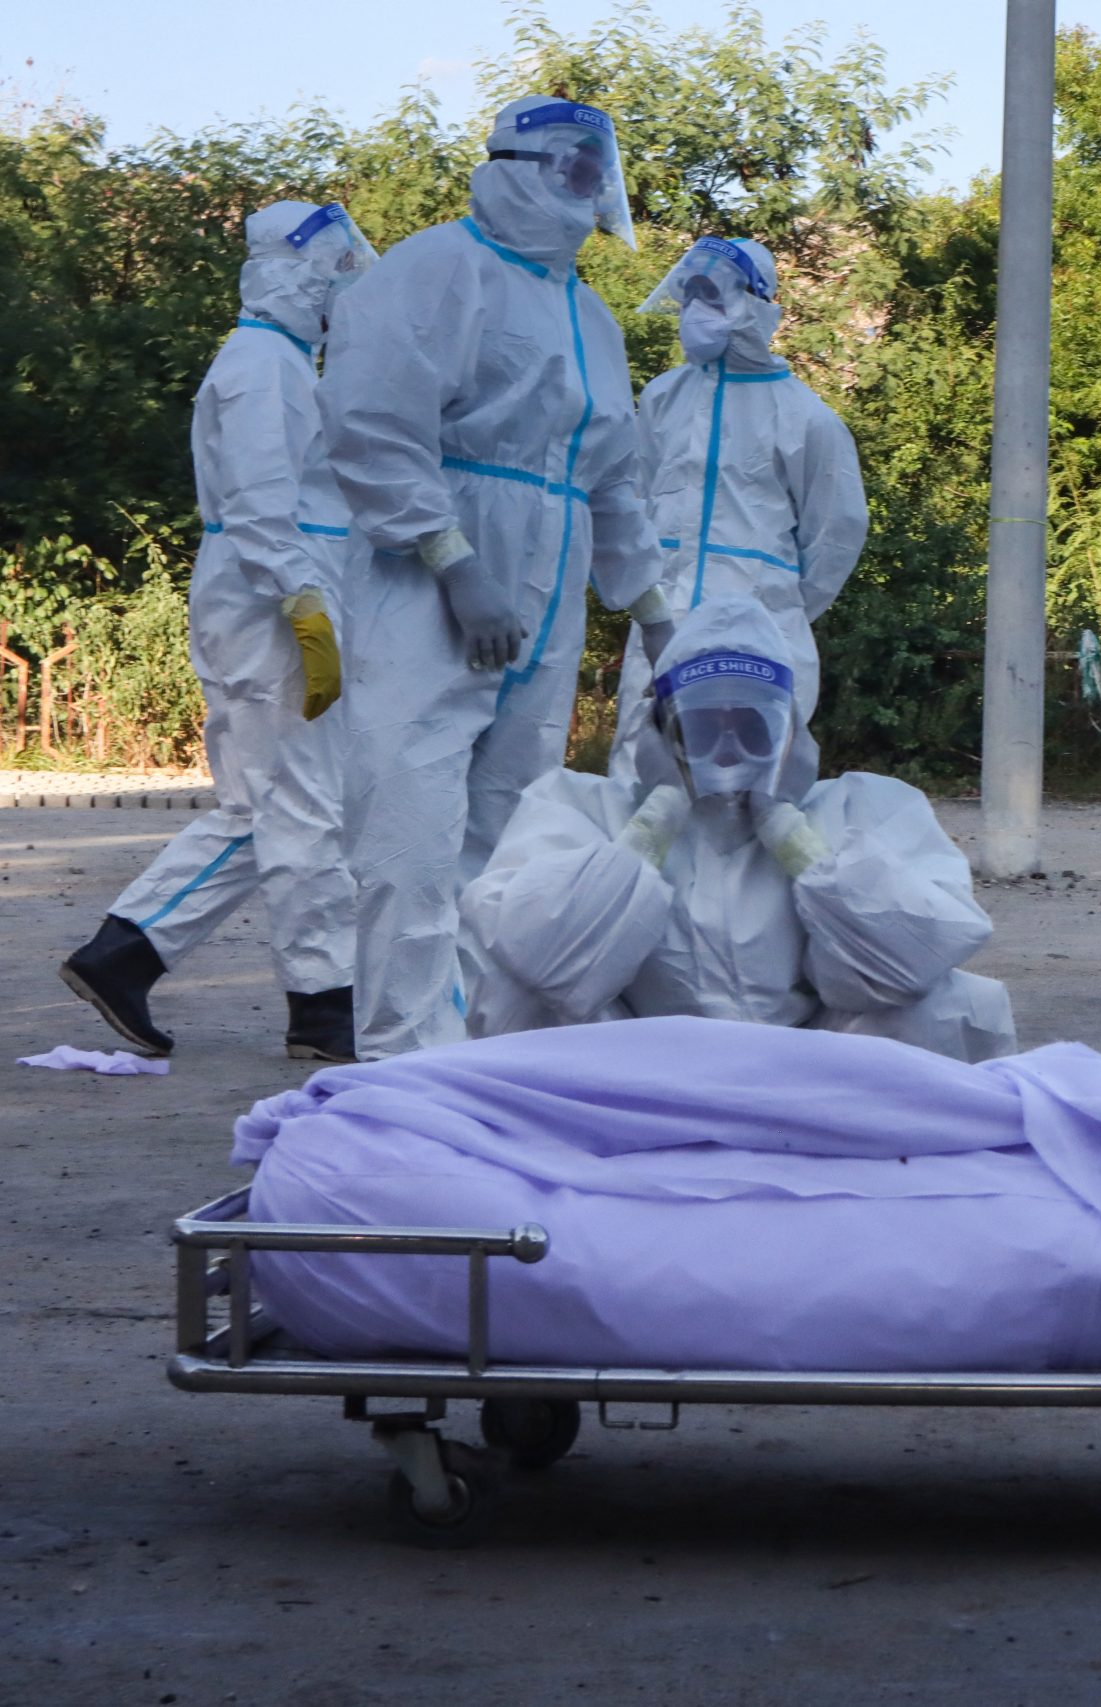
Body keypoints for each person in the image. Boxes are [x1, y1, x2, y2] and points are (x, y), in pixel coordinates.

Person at [319, 96, 659, 1058]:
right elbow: (375, 422)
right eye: (578, 172)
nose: (593, 194)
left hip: (550, 586)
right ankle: (398, 1062)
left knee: (513, 828)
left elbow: (615, 473)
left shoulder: (587, 311)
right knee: (411, 824)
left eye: (603, 175)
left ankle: (480, 1051)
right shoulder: (433, 270)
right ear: (523, 164)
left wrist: (659, 612)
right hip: (431, 587)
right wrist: (453, 561)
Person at [59, 201, 375, 1062]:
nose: (342, 289)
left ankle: (123, 954)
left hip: (264, 599)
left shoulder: (273, 362)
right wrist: (307, 610)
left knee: (260, 806)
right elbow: (264, 508)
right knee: (305, 807)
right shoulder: (265, 367)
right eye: (335, 269)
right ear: (296, 268)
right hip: (273, 606)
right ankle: (324, 1001)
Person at [459, 597, 1015, 1058]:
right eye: (703, 730)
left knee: (953, 1001)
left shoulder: (867, 807)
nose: (727, 754)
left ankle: (902, 1166)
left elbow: (910, 963)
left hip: (815, 1082)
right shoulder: (577, 805)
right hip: (634, 1084)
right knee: (516, 989)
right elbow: (543, 959)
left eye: (750, 728)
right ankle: (558, 1160)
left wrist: (789, 832)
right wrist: (659, 813)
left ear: (791, 732)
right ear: (657, 730)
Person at [604, 235, 869, 779]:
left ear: (756, 304)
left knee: (751, 777)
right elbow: (633, 502)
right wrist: (650, 600)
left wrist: (778, 603)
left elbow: (836, 533)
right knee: (643, 770)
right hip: (663, 627)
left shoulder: (805, 417)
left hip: (759, 630)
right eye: (692, 295)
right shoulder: (662, 398)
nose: (697, 310)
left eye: (714, 295)